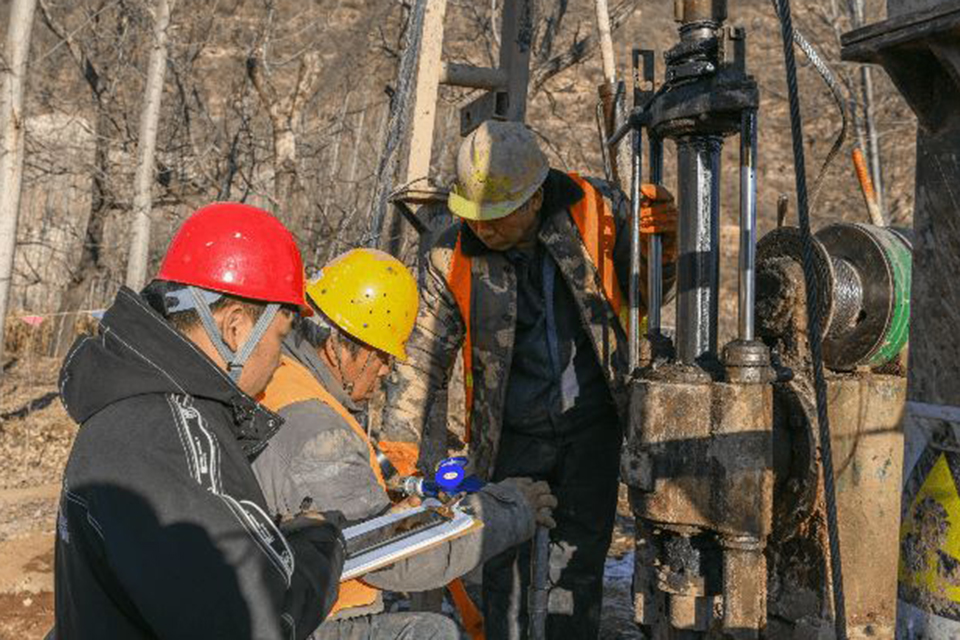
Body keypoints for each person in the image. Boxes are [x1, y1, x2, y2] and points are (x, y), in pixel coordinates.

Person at [380, 120, 679, 639]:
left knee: (578, 569)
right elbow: (421, 360)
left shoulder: (598, 209)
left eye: (495, 218)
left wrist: (662, 250)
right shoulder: (448, 254)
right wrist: (403, 455)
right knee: (504, 566)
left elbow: (651, 294)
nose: (483, 230)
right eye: (474, 217)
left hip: (592, 427)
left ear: (535, 198)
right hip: (509, 436)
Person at [54, 203, 345, 640]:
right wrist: (318, 547)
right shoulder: (169, 441)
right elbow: (252, 624)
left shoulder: (138, 410)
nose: (279, 360)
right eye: (280, 339)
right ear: (236, 328)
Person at [251, 248, 558, 640]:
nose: (384, 372)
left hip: (271, 599)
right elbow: (402, 563)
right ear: (340, 345)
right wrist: (513, 508)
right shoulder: (319, 430)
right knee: (434, 634)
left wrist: (390, 511)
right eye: (381, 356)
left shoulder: (280, 374)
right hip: (301, 619)